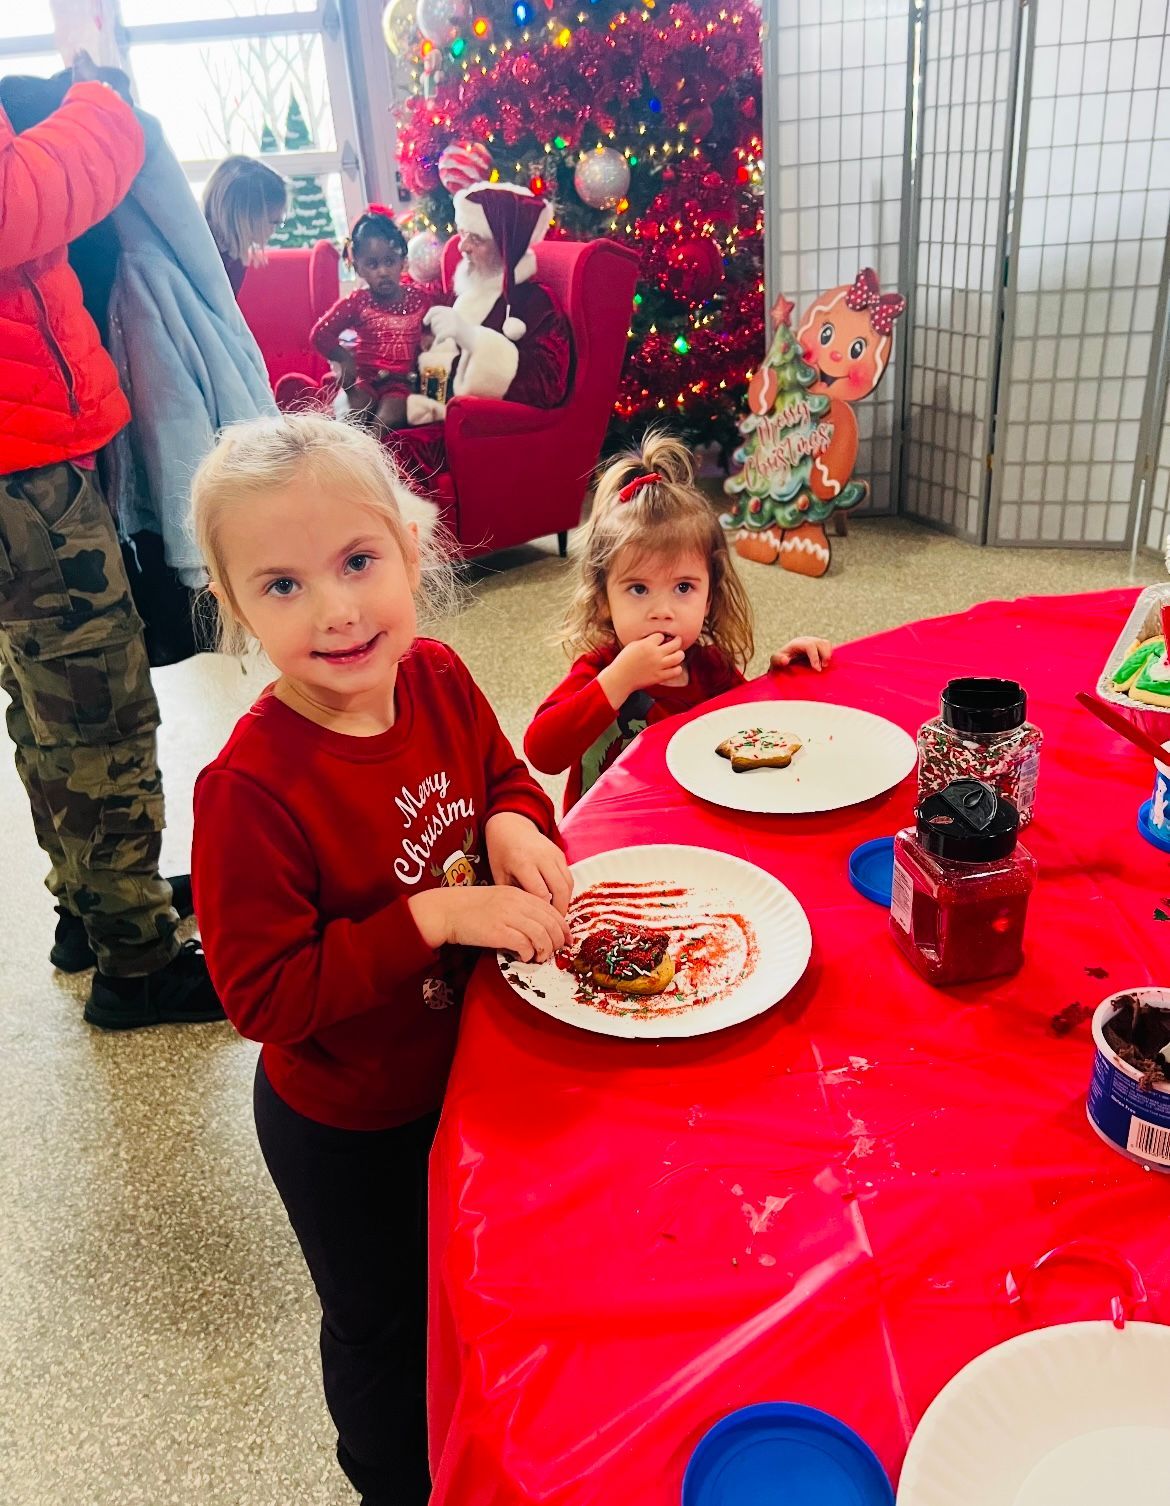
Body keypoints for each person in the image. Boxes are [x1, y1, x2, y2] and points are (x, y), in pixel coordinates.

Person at [188, 412, 571, 1506]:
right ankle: (393, 1482)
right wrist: (436, 917)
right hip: (346, 1126)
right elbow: (260, 995)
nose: (339, 610)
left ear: (414, 549)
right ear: (235, 607)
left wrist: (508, 824)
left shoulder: (440, 677)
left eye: (358, 562)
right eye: (283, 585)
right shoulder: (249, 789)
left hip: (467, 1070)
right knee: (380, 1321)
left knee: (470, 1280)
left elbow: (505, 778)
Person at [0, 52, 219, 1027]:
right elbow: (25, 199)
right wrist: (104, 103)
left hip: (27, 458)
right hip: (20, 475)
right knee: (100, 717)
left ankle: (89, 910)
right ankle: (138, 962)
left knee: (49, 710)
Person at [524, 432, 833, 811]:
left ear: (709, 599)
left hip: (687, 824)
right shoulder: (599, 670)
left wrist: (777, 676)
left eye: (683, 587)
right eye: (638, 589)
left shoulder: (711, 668)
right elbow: (542, 751)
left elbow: (748, 730)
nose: (662, 610)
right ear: (604, 600)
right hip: (607, 832)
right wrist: (618, 681)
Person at [390, 180, 571, 491]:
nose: (463, 247)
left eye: (476, 238)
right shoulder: (467, 294)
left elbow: (547, 385)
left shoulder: (534, 303)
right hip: (437, 415)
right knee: (365, 427)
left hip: (481, 435)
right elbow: (435, 366)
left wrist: (473, 339)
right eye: (463, 234)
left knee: (387, 451)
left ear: (505, 246)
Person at [310, 206, 435, 432]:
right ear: (358, 268)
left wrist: (428, 340)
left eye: (389, 261)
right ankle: (344, 457)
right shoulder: (358, 301)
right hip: (365, 379)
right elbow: (320, 334)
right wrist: (344, 359)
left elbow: (437, 323)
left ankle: (371, 460)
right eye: (372, 264)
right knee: (353, 417)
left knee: (387, 418)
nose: (383, 271)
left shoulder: (420, 298)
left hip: (401, 382)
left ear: (402, 261)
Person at [201, 154, 287, 300]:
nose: (275, 229)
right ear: (245, 216)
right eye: (273, 222)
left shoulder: (234, 254)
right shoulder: (204, 253)